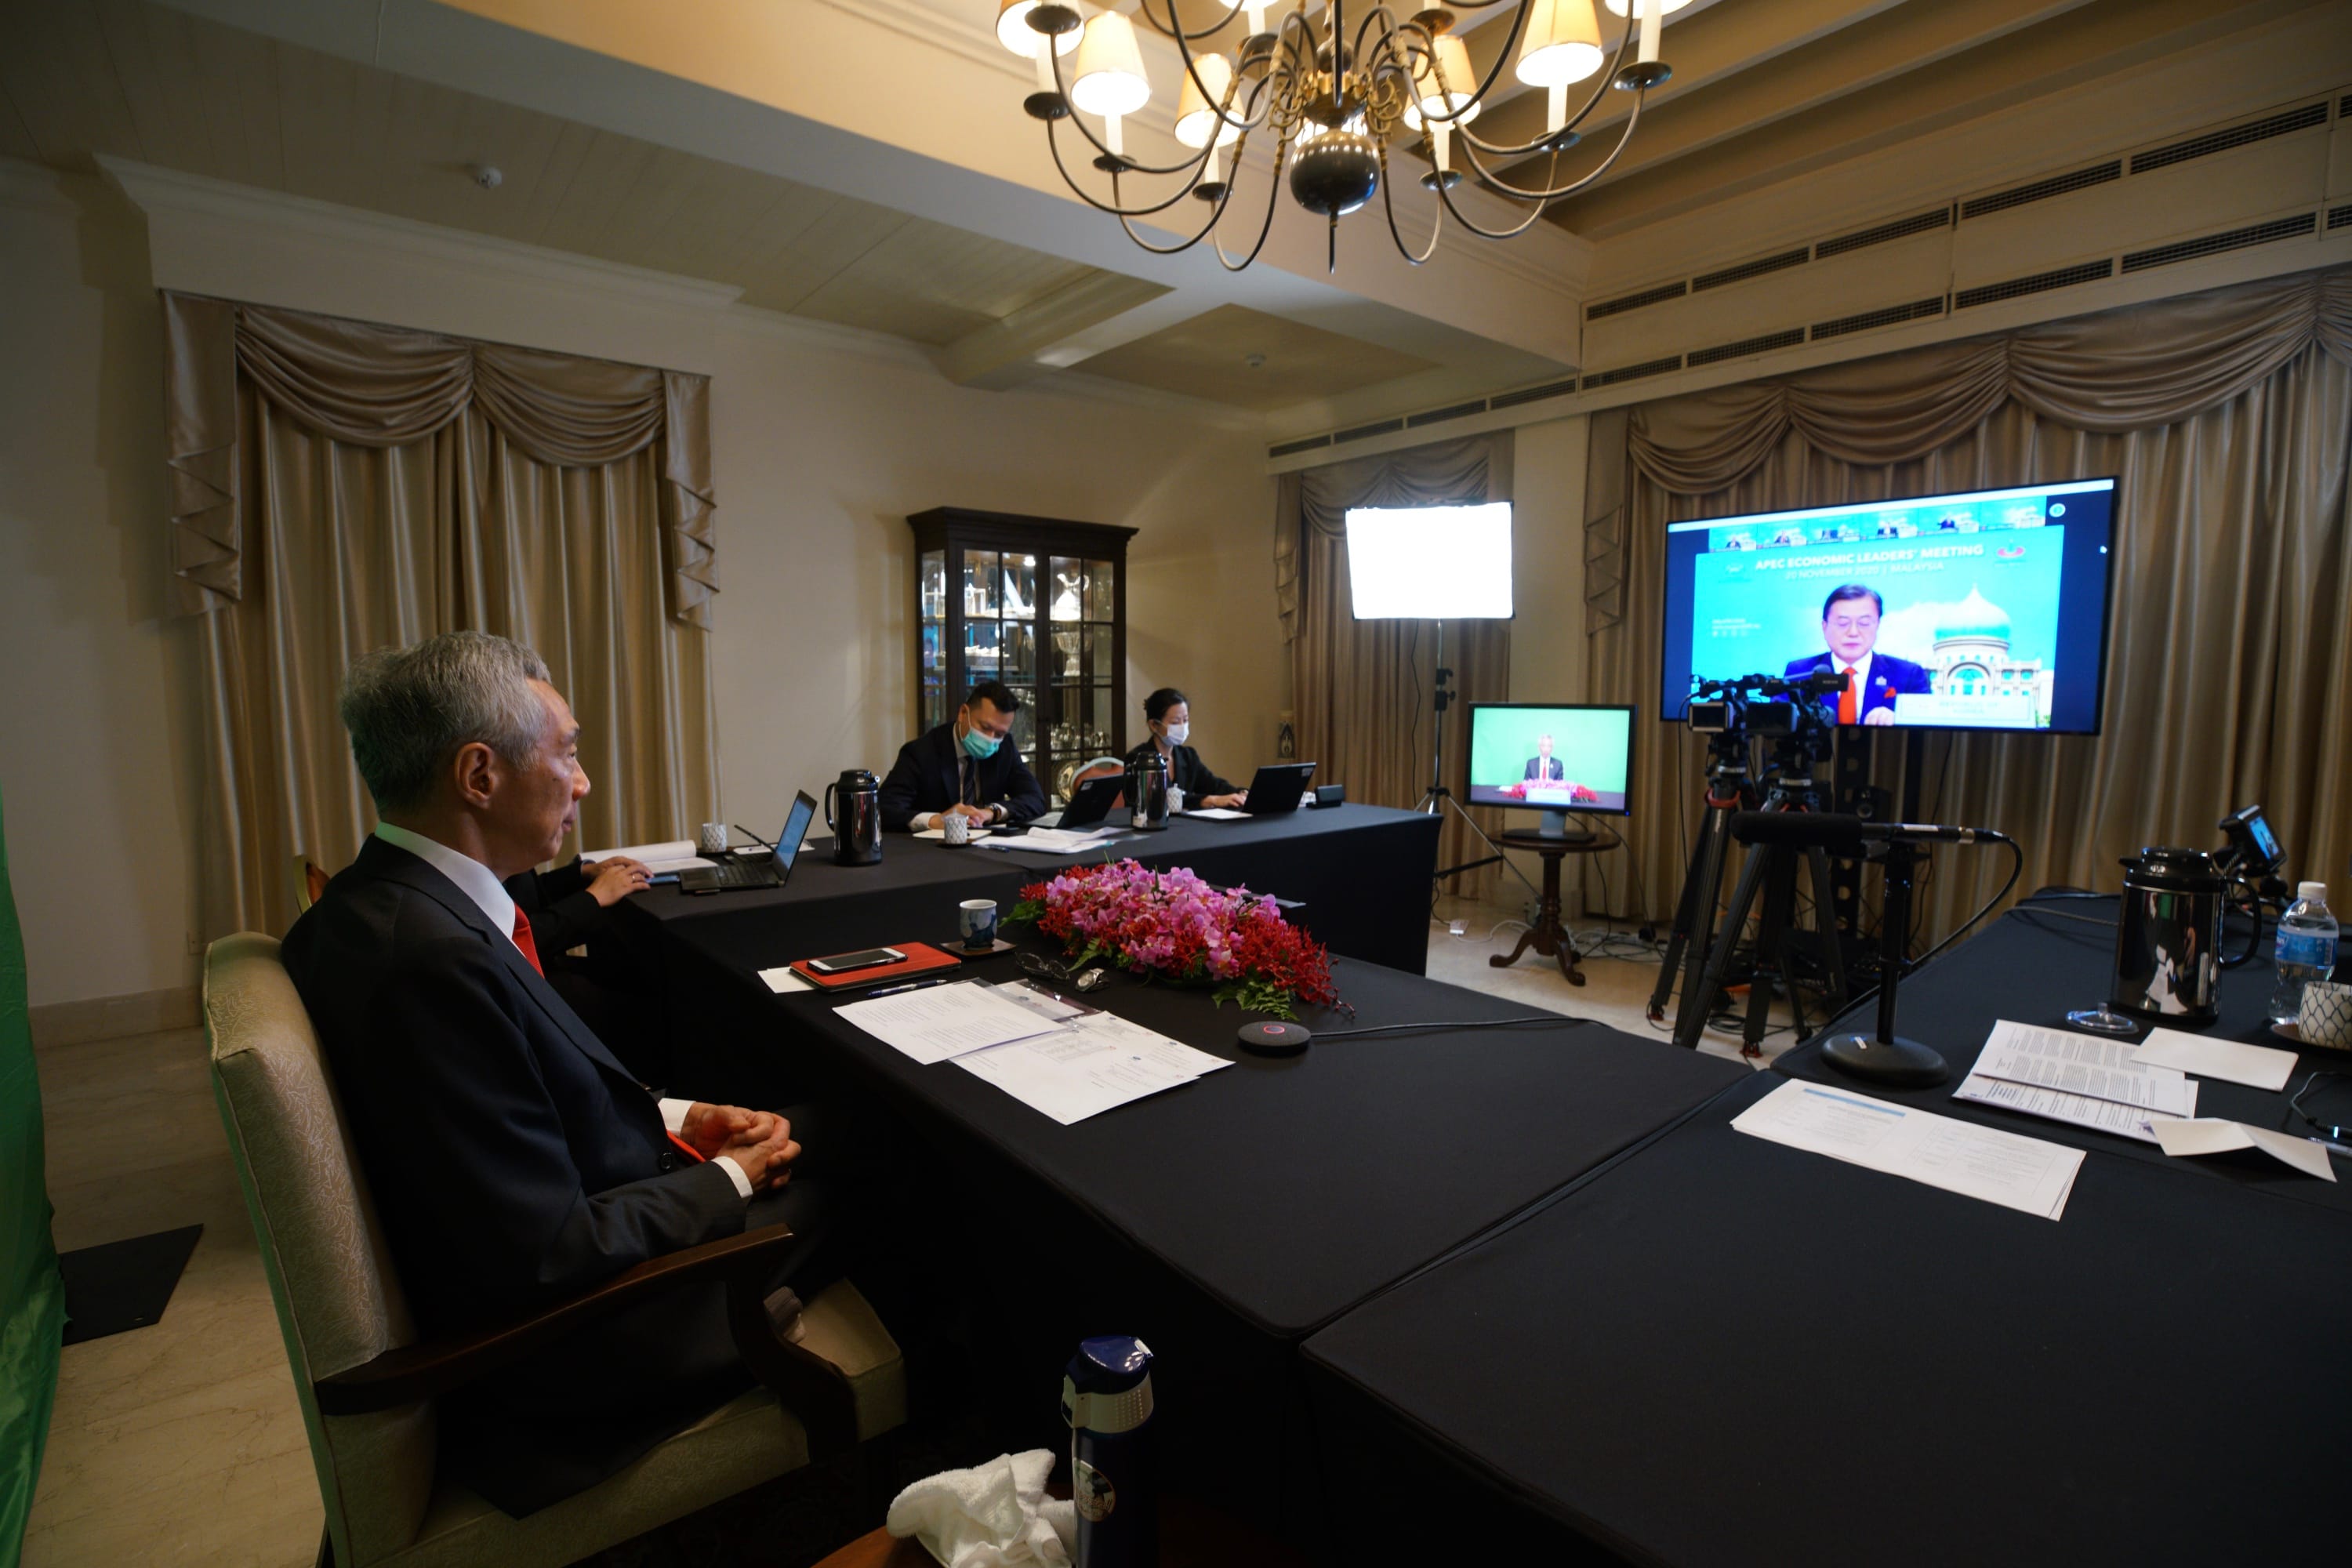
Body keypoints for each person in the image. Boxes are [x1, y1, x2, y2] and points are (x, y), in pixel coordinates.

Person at [281, 631, 842, 1516]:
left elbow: (530, 1104)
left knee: (819, 1113)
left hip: (587, 1204)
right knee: (883, 1134)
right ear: (479, 775)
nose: (581, 782)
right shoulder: (427, 964)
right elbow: (545, 1253)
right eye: (568, 753)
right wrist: (735, 1175)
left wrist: (684, 1117)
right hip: (576, 1350)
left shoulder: (373, 909)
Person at [878, 680, 1048, 832]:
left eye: (999, 734)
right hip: (935, 854)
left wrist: (991, 812)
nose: (990, 739)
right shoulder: (921, 753)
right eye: (984, 727)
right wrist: (934, 820)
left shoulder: (1005, 748)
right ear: (963, 713)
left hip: (990, 850)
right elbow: (884, 809)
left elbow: (1035, 799)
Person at [1784, 583, 1933, 725]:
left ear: (1878, 625)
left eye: (1864, 623)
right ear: (1825, 627)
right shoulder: (1800, 671)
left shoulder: (1908, 674)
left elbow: (1929, 730)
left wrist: (1900, 720)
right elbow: (1779, 723)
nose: (1853, 632)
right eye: (1843, 623)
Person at [1123, 688, 1247, 810]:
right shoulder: (1137, 758)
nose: (1182, 726)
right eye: (1175, 722)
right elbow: (1154, 799)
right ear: (1154, 725)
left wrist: (1240, 793)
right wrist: (1205, 801)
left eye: (1185, 720)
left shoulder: (1188, 756)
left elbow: (1213, 785)